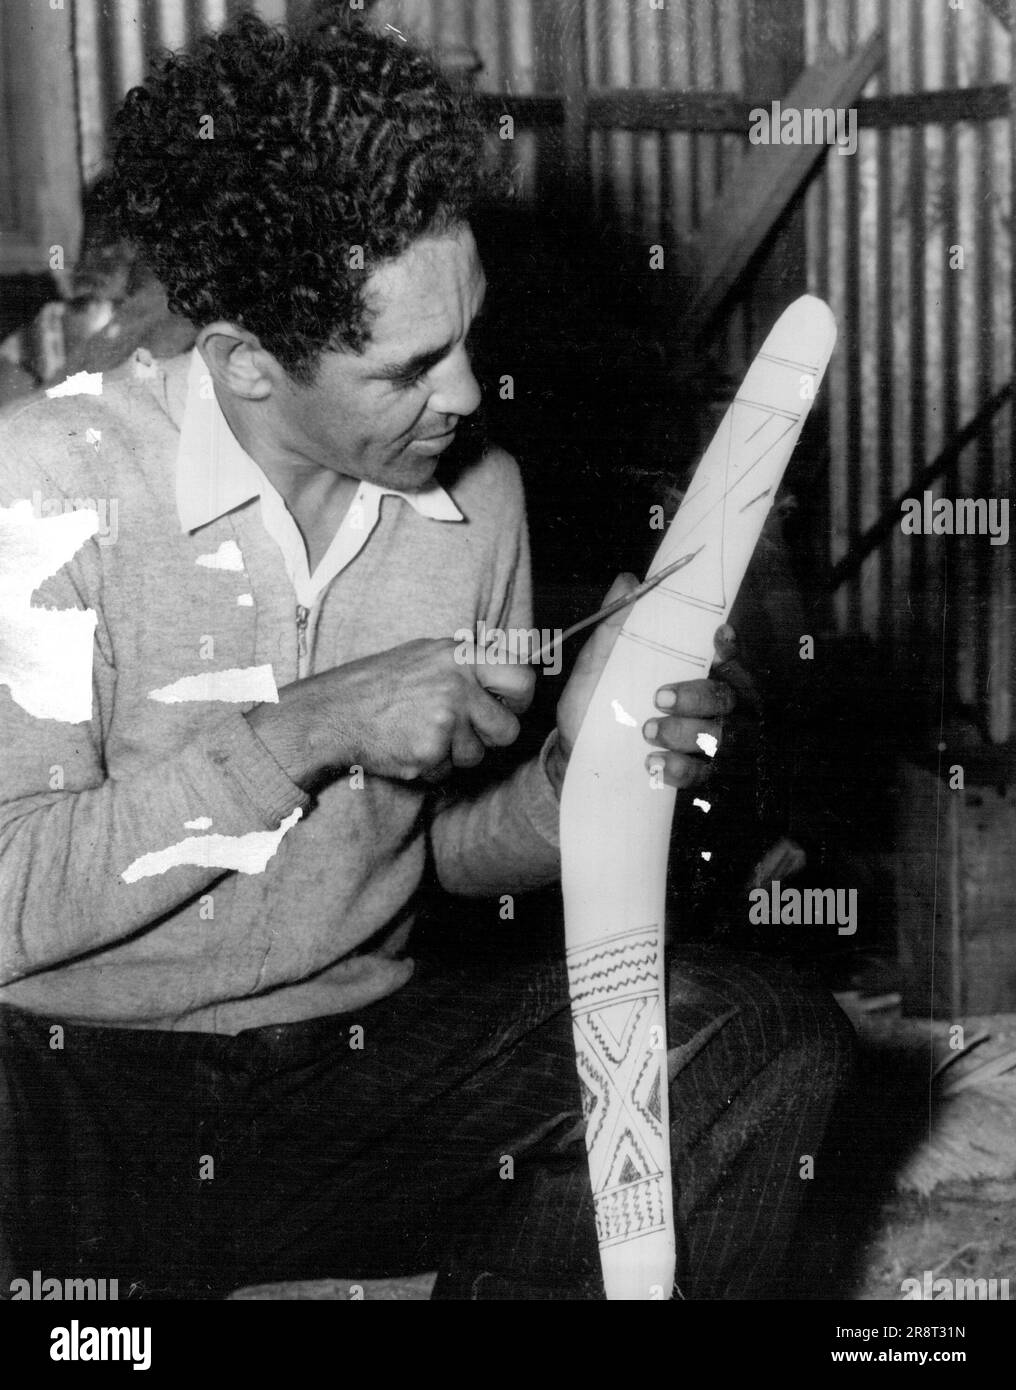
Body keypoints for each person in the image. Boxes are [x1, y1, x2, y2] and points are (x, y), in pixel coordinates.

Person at [0, 10, 851, 1300]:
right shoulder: (45, 484)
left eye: (469, 336)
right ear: (244, 365)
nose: (464, 394)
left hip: (353, 1070)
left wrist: (589, 767)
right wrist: (307, 728)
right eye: (409, 367)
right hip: (68, 1091)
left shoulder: (477, 497)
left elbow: (443, 849)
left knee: (755, 1043)